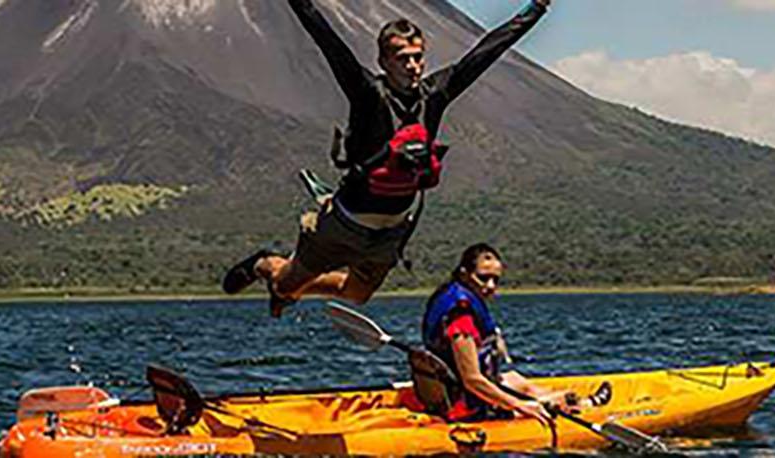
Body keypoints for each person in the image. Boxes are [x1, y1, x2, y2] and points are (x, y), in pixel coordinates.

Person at [220, 0, 553, 318]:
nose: (412, 66)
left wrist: (536, 9)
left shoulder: (436, 94)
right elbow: (325, 38)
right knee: (285, 287)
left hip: (392, 231)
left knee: (357, 295)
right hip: (344, 223)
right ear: (383, 62)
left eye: (418, 58)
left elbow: (486, 52)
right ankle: (265, 265)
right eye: (402, 58)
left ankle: (296, 284)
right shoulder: (367, 93)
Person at [420, 243, 602, 424]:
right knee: (533, 399)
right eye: (483, 278)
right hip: (465, 405)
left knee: (517, 380)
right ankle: (580, 404)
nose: (490, 286)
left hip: (456, 388)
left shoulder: (454, 297)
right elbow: (472, 379)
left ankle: (582, 402)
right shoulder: (460, 317)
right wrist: (519, 405)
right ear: (464, 274)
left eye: (495, 279)